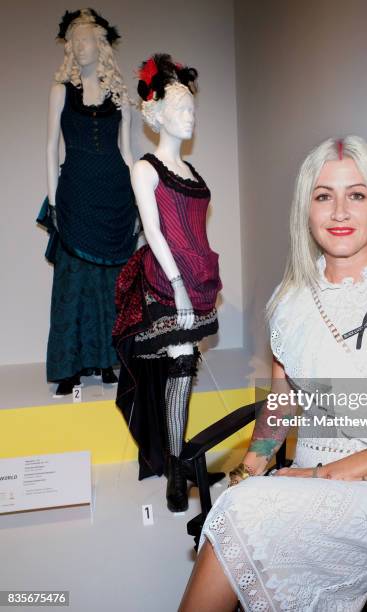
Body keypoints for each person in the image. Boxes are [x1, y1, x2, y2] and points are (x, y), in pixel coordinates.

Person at [179, 136, 367, 611]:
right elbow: (281, 401)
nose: (339, 212)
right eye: (323, 196)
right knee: (244, 502)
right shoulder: (288, 303)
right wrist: (250, 471)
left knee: (247, 511)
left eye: (357, 194)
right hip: (301, 482)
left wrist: (322, 475)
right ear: (306, 211)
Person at [113, 54, 222, 513]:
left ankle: (181, 457)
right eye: (180, 109)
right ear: (156, 115)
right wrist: (176, 282)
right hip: (165, 281)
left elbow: (196, 229)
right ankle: (176, 469)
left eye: (192, 109)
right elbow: (154, 230)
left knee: (186, 367)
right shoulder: (145, 168)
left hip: (199, 279)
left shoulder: (192, 172)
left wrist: (197, 278)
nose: (189, 116)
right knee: (179, 366)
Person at [41, 8, 137, 397]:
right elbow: (50, 146)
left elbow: (128, 154)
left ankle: (106, 360)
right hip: (76, 193)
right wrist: (53, 201)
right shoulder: (59, 91)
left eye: (86, 40)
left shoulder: (121, 97)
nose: (79, 47)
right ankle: (69, 367)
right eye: (73, 41)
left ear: (100, 45)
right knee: (72, 283)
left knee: (111, 283)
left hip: (115, 194)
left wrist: (140, 199)